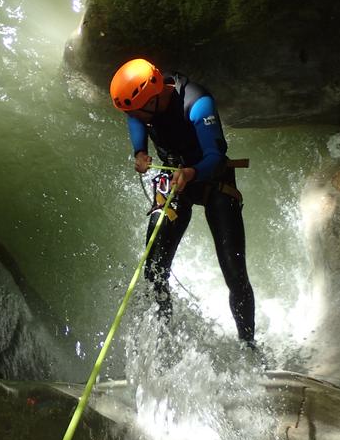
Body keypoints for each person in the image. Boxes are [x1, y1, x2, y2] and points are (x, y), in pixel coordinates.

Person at [110, 58, 256, 346]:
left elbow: (214, 157)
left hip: (212, 178)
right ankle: (164, 342)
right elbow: (133, 117)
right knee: (154, 268)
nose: (133, 116)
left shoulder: (197, 103)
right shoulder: (143, 105)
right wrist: (139, 152)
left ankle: (249, 345)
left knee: (234, 271)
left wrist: (191, 172)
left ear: (152, 99)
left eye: (136, 111)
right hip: (175, 177)